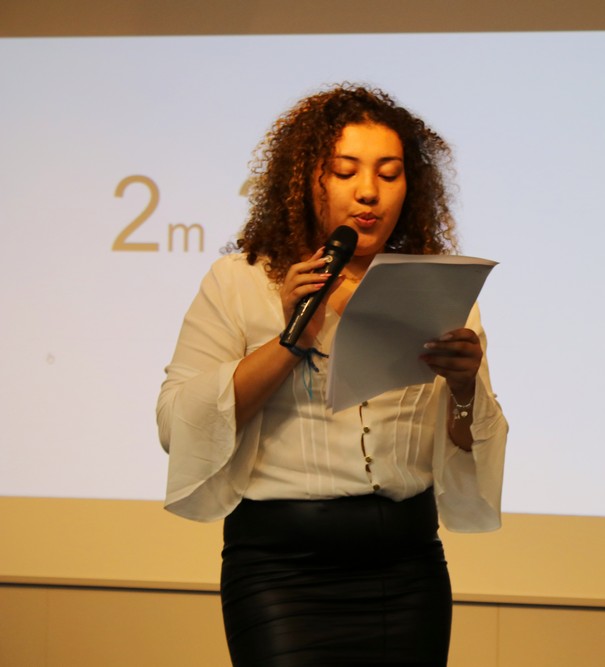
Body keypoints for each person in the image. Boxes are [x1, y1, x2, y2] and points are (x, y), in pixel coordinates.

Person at [156, 83, 507, 666]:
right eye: (346, 171)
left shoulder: (438, 293)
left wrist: (466, 388)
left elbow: (467, 446)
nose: (369, 191)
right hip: (280, 571)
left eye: (389, 173)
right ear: (306, 180)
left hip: (407, 570)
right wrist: (291, 339)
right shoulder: (241, 281)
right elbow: (179, 424)